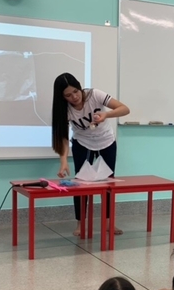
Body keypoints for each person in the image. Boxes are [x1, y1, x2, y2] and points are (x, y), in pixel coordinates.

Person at [51, 73, 129, 236]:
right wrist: (63, 161)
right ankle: (80, 224)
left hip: (106, 141)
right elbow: (63, 137)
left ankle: (108, 222)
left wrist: (106, 114)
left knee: (108, 182)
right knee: (80, 183)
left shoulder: (95, 95)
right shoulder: (63, 109)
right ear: (62, 97)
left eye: (76, 91)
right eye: (68, 95)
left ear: (80, 87)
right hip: (82, 143)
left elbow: (124, 109)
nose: (74, 97)